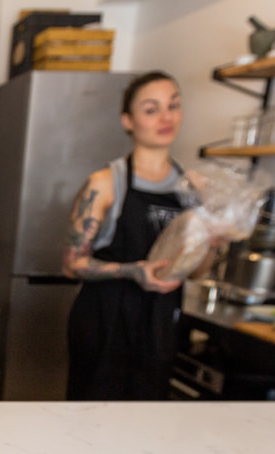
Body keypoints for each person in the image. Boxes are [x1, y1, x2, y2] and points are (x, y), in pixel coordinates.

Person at [61, 71, 211, 401]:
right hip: (105, 322)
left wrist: (214, 240)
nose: (166, 117)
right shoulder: (105, 182)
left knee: (148, 418)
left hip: (160, 325)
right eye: (151, 109)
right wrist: (133, 271)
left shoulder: (192, 188)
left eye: (173, 106)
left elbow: (196, 272)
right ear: (128, 120)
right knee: (92, 417)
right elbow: (71, 265)